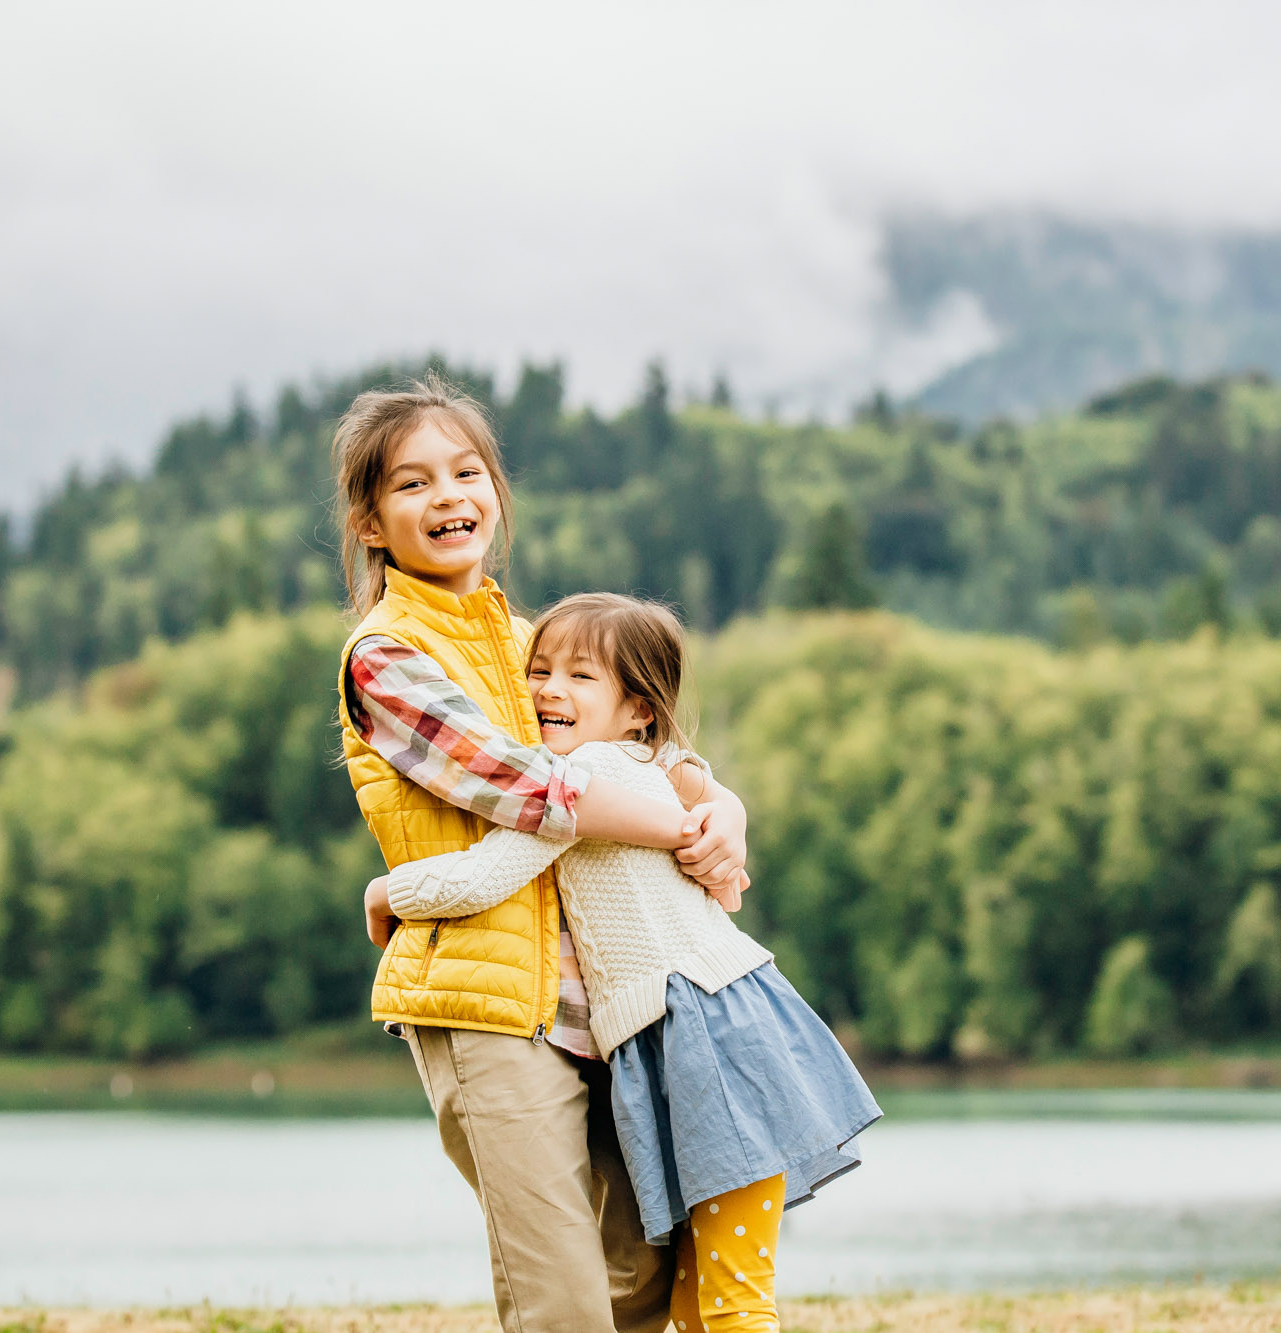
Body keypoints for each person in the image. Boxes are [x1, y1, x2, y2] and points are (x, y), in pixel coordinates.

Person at [331, 376, 753, 1333]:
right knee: (560, 1297)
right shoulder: (385, 656)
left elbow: (637, 748)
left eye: (466, 471)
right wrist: (672, 828)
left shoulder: (534, 641)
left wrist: (716, 799)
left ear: (496, 490)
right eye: (411, 484)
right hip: (483, 1003)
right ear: (368, 520)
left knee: (645, 1266)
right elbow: (524, 786)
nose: (447, 497)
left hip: (605, 998)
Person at [375, 593, 881, 1332]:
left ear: (638, 707)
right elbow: (690, 776)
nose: (549, 689)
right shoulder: (653, 766)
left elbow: (484, 875)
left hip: (707, 1041)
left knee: (732, 1303)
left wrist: (389, 889)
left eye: (580, 677)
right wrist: (725, 806)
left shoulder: (578, 784)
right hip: (701, 1035)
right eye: (539, 670)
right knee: (698, 1300)